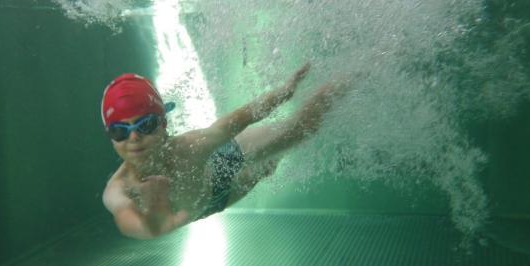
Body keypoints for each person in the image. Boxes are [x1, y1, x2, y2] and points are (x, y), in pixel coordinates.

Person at [100, 64, 347, 239]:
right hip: (217, 201)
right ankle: (271, 159)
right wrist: (150, 228)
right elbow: (124, 218)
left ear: (163, 124)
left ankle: (348, 76)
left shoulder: (189, 147)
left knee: (301, 128)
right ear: (110, 137)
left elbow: (242, 118)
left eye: (145, 125)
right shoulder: (120, 187)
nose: (134, 138)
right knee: (266, 168)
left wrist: (284, 92)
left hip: (225, 157)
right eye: (120, 131)